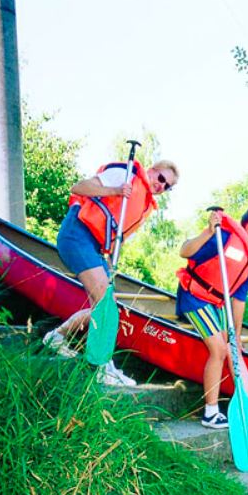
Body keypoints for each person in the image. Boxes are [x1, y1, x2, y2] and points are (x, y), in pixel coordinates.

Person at [43, 157, 179, 386]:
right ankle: (103, 368)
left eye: (168, 186)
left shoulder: (142, 206)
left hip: (94, 246)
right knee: (106, 303)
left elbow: (116, 239)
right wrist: (116, 190)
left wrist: (110, 262)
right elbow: (78, 187)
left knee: (106, 306)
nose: (162, 186)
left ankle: (56, 337)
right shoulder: (125, 175)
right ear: (152, 170)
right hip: (77, 233)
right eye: (161, 178)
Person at [176, 205, 248, 429]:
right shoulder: (223, 237)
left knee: (232, 349)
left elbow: (239, 300)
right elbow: (185, 251)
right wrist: (208, 230)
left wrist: (236, 334)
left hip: (216, 303)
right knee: (218, 349)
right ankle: (211, 413)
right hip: (193, 296)